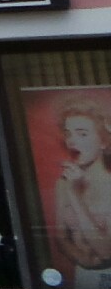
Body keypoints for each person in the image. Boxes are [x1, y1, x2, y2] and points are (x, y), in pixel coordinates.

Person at [53, 104, 111, 275]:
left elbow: (107, 252)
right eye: (68, 133)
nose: (71, 141)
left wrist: (74, 193)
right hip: (83, 274)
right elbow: (60, 236)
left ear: (103, 141)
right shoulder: (62, 184)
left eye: (82, 134)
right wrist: (80, 258)